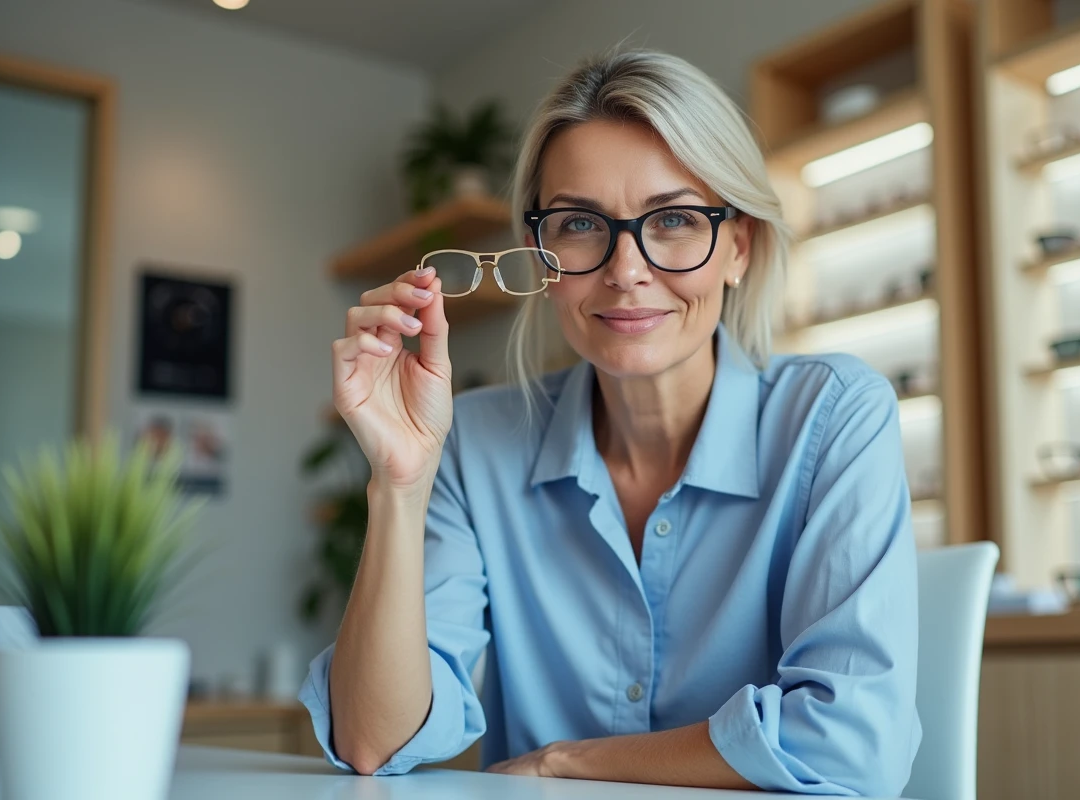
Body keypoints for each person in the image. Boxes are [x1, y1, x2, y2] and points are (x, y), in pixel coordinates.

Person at [301, 47, 921, 795]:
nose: (625, 271)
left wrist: (568, 761)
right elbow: (374, 743)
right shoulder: (475, 443)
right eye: (579, 224)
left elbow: (852, 747)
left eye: (675, 219)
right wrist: (399, 485)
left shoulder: (833, 417)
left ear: (738, 248)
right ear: (541, 257)